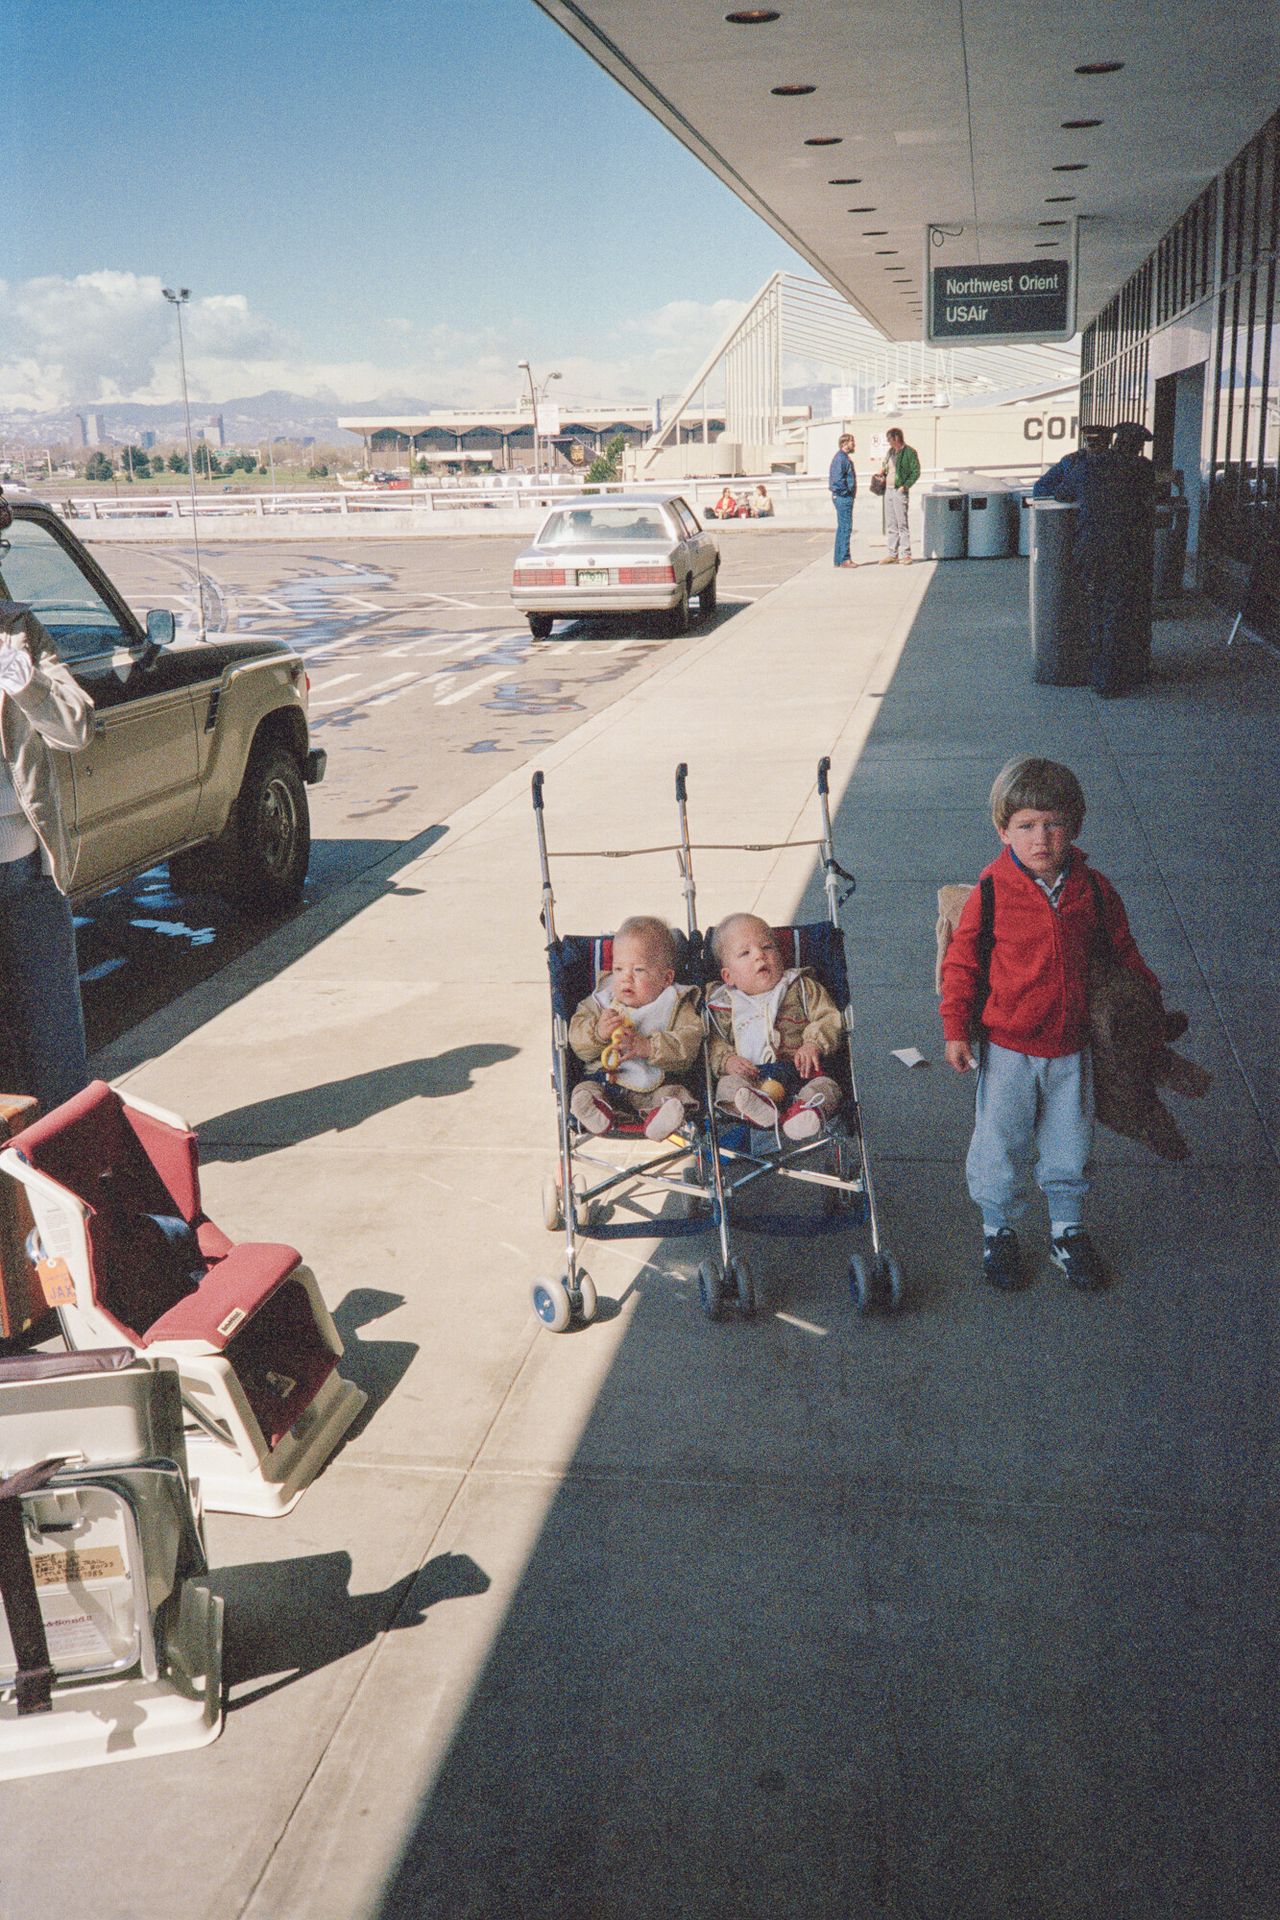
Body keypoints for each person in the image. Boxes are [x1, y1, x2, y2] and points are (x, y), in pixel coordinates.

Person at [940, 756, 1166, 1293]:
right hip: (1009, 1048)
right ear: (1003, 830)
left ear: (1074, 826)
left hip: (1072, 1047)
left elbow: (1120, 950)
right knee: (1000, 1144)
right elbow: (962, 963)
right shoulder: (992, 891)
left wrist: (1147, 1002)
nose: (1041, 838)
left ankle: (1067, 1231)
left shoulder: (1093, 888)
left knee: (1070, 1143)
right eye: (1025, 826)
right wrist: (954, 1028)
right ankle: (998, 1229)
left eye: (1054, 824)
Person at [0, 488, 95, 1113]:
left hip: (27, 867)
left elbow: (76, 727)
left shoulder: (19, 631)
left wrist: (28, 687)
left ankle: (72, 1178)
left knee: (58, 1048)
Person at [1033, 420, 1155, 695]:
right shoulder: (1141, 469)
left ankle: (1098, 675)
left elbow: (1061, 493)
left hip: (1091, 550)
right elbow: (1146, 503)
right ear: (1137, 446)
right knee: (1119, 611)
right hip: (1126, 551)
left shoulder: (1087, 466)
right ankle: (1118, 676)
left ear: (1114, 441)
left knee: (1096, 609)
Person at [707, 913, 843, 1142]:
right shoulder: (723, 1004)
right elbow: (715, 1042)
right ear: (728, 976)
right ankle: (756, 1109)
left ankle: (804, 1114)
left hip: (802, 1074)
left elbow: (828, 1017)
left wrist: (813, 1043)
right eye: (745, 953)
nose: (760, 955)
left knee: (827, 1088)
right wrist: (727, 1060)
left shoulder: (800, 987)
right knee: (727, 1086)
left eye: (767, 947)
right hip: (751, 1080)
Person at [569, 915, 701, 1142]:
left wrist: (650, 1047)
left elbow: (689, 1046)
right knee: (584, 1090)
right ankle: (594, 1111)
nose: (626, 978)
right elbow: (576, 1041)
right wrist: (598, 1033)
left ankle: (660, 1118)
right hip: (605, 1081)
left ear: (666, 977)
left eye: (639, 970)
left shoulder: (676, 1003)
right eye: (618, 969)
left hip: (655, 1087)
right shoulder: (601, 1001)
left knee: (673, 1096)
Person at [1031, 422, 1112, 498]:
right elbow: (1039, 488)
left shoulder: (1115, 464)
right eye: (1089, 442)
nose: (1093, 447)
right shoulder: (1072, 461)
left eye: (1097, 443)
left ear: (1107, 444)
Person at [878, 427, 920, 564]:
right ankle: (892, 553)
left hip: (899, 490)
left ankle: (906, 554)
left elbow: (915, 471)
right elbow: (886, 467)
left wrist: (905, 486)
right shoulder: (890, 452)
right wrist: (882, 470)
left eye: (889, 439)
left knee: (902, 523)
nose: (888, 442)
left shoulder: (909, 452)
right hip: (888, 490)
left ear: (896, 438)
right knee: (891, 524)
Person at [828, 434, 857, 567]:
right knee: (846, 528)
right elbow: (838, 480)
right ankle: (845, 559)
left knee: (842, 528)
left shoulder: (842, 458)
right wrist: (847, 492)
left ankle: (839, 559)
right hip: (843, 497)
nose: (854, 444)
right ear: (845, 443)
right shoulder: (841, 458)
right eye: (852, 442)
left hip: (841, 496)